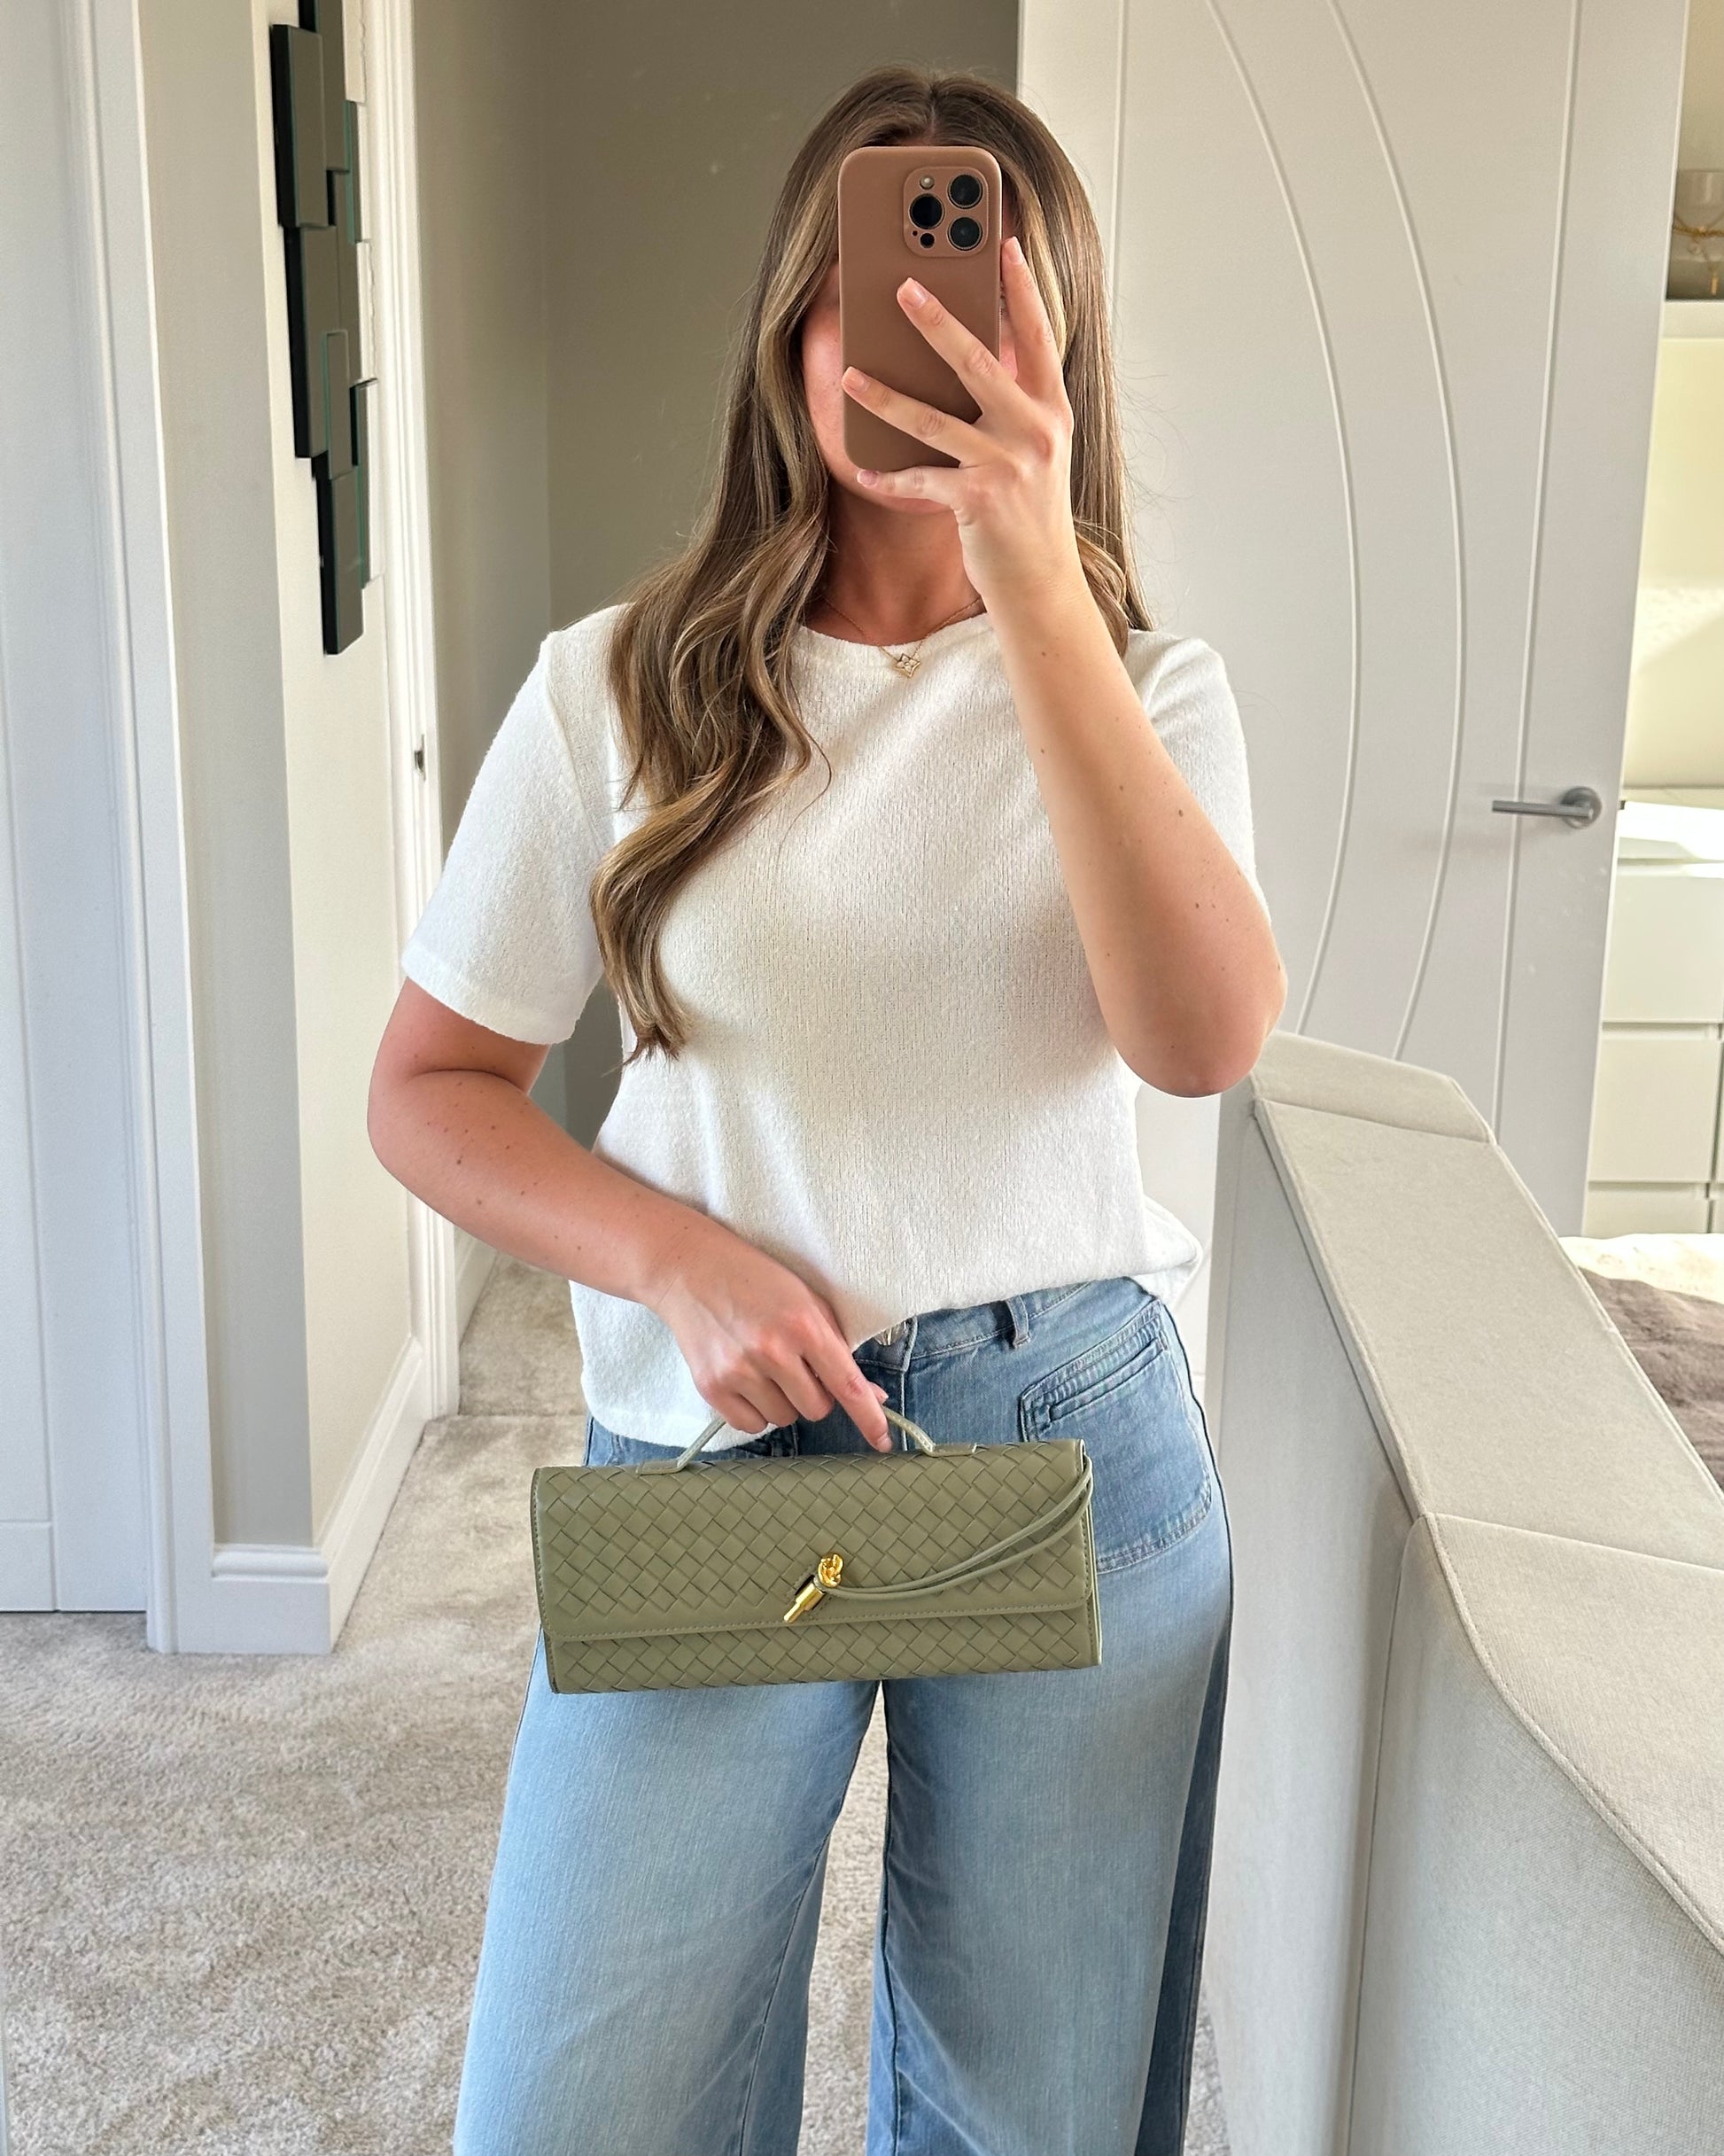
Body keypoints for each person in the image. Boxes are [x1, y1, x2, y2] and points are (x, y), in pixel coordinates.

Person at [368, 62, 1285, 2156]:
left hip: (1066, 1433)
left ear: (1058, 357)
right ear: (794, 321)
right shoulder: (620, 684)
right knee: (576, 2110)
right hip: (721, 1440)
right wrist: (669, 1252)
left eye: (979, 307)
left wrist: (1027, 571)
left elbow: (1201, 1039)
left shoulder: (1149, 690)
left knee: (1031, 2118)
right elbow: (428, 1090)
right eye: (873, 295)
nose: (913, 343)